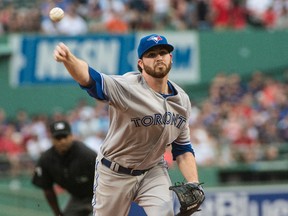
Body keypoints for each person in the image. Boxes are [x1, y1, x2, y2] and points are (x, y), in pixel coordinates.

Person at [53, 33, 203, 216]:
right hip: (114, 171)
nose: (158, 58)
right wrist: (70, 60)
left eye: (163, 53)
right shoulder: (127, 87)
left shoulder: (182, 100)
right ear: (141, 63)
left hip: (152, 171)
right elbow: (91, 79)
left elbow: (182, 148)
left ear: (170, 58)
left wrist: (193, 182)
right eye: (151, 55)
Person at [32, 120, 97, 216]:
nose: (62, 141)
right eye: (58, 138)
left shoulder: (86, 154)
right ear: (52, 139)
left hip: (98, 195)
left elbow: (106, 178)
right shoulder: (46, 159)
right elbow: (47, 189)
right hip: (78, 199)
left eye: (64, 136)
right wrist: (58, 213)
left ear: (71, 136)